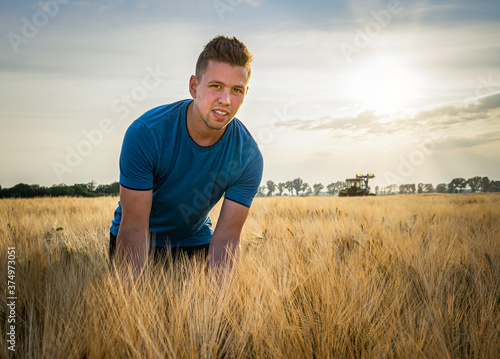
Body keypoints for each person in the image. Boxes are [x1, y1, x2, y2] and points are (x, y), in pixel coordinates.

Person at [109, 35, 263, 278]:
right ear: (194, 86)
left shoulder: (248, 157)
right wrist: (128, 305)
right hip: (138, 237)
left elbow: (227, 238)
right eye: (216, 86)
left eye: (236, 90)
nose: (225, 100)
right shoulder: (146, 133)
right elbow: (134, 226)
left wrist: (216, 306)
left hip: (194, 240)